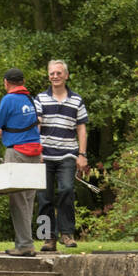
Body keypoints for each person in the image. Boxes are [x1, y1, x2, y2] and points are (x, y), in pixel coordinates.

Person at [0, 67, 42, 256]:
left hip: (18, 154)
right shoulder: (30, 100)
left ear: (6, 82)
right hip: (35, 154)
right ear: (22, 82)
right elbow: (15, 129)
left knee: (17, 200)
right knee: (28, 200)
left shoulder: (8, 100)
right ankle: (27, 243)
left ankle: (24, 245)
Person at [34, 59, 89, 251]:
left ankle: (66, 233)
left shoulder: (76, 100)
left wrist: (82, 155)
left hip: (67, 154)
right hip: (44, 155)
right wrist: (36, 151)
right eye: (52, 73)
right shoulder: (40, 99)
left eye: (59, 73)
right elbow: (36, 126)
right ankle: (47, 238)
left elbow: (81, 129)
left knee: (66, 190)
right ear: (48, 76)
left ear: (66, 75)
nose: (55, 76)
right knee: (44, 197)